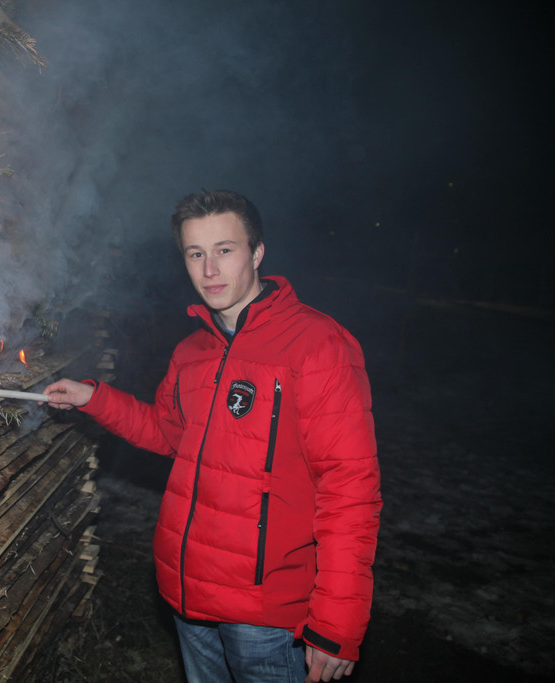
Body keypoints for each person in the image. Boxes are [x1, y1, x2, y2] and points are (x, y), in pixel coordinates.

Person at [44, 190, 381, 683]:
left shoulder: (317, 345)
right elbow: (167, 434)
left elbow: (350, 488)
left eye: (225, 250)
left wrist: (337, 621)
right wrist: (92, 398)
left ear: (257, 253)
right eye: (195, 254)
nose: (210, 270)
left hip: (266, 615)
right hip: (190, 597)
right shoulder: (192, 351)